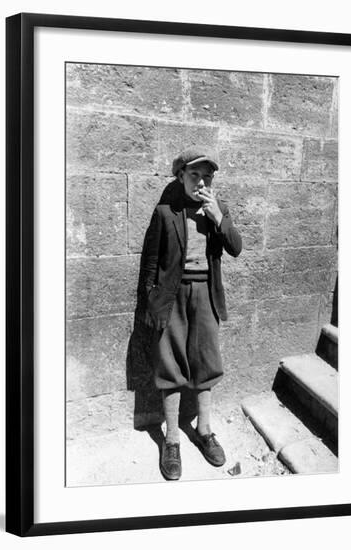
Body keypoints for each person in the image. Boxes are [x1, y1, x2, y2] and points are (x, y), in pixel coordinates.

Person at [138, 147, 242, 481]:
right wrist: (152, 301)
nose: (201, 182)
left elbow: (236, 248)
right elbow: (151, 262)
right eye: (194, 175)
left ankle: (205, 428)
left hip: (207, 295)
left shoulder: (217, 209)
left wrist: (218, 218)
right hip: (172, 296)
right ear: (180, 176)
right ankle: (171, 439)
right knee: (170, 364)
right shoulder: (167, 211)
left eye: (207, 176)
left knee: (206, 361)